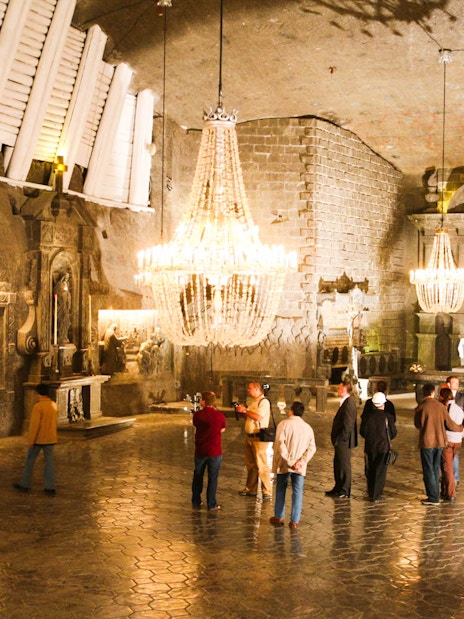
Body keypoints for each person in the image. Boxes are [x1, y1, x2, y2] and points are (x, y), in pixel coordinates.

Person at [414, 383, 463, 506]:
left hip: (427, 442)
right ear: (433, 392)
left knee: (428, 469)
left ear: (423, 393)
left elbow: (417, 425)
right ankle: (436, 494)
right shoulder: (440, 407)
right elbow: (450, 424)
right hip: (440, 442)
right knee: (436, 468)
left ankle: (433, 497)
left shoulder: (420, 407)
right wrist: (460, 428)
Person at [270, 401, 316, 528]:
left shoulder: (284, 424)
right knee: (297, 491)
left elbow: (280, 444)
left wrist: (290, 461)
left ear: (291, 411)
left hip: (284, 464)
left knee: (281, 489)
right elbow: (312, 448)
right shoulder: (308, 428)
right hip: (299, 467)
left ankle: (279, 516)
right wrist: (301, 462)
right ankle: (295, 520)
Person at [13, 384, 58, 495]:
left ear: (38, 393)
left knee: (30, 461)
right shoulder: (53, 405)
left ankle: (25, 484)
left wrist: (31, 441)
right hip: (50, 438)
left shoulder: (38, 407)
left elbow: (34, 425)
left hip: (38, 439)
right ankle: (50, 487)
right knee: (49, 463)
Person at [236, 382, 272, 501]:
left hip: (259, 437)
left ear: (257, 389)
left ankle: (267, 491)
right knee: (251, 465)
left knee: (261, 465)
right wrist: (242, 412)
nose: (248, 390)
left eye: (250, 388)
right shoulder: (254, 402)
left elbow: (258, 417)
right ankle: (250, 488)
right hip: (250, 436)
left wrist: (245, 410)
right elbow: (250, 417)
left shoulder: (264, 402)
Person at [191, 391, 226, 511]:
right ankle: (211, 504)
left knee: (198, 475)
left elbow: (196, 425)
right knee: (213, 477)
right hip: (214, 451)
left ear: (203, 402)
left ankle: (196, 500)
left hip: (200, 450)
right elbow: (222, 429)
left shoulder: (198, 415)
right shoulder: (220, 416)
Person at [360, 391, 397, 502]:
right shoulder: (388, 417)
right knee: (380, 471)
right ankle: (377, 494)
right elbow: (393, 433)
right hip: (383, 447)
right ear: (383, 404)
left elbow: (362, 432)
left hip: (370, 446)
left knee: (370, 469)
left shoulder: (367, 417)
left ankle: (371, 492)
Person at [325, 381, 358, 499]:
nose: (338, 390)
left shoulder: (349, 403)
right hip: (340, 440)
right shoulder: (344, 402)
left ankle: (344, 490)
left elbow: (348, 424)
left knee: (344, 465)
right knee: (337, 463)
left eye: (340, 388)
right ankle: (338, 486)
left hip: (344, 441)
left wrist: (341, 438)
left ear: (345, 390)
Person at [439, 387, 464, 501]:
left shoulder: (445, 409)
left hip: (448, 441)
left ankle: (450, 493)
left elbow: (448, 425)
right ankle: (445, 490)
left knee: (447, 467)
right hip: (458, 441)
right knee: (449, 466)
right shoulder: (459, 409)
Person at [447, 375, 464, 486]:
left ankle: (455, 477)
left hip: (458, 430)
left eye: (457, 383)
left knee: (455, 454)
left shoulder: (462, 397)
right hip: (447, 431)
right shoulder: (444, 396)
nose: (456, 385)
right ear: (448, 384)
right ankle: (448, 475)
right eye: (454, 382)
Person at [53, 272, 71, 344]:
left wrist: (68, 296)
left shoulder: (66, 284)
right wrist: (62, 293)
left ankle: (64, 335)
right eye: (65, 277)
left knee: (66, 322)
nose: (66, 279)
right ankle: (60, 336)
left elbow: (68, 296)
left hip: (65, 307)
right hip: (60, 306)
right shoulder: (58, 285)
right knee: (60, 321)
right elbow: (55, 293)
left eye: (67, 277)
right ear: (62, 277)